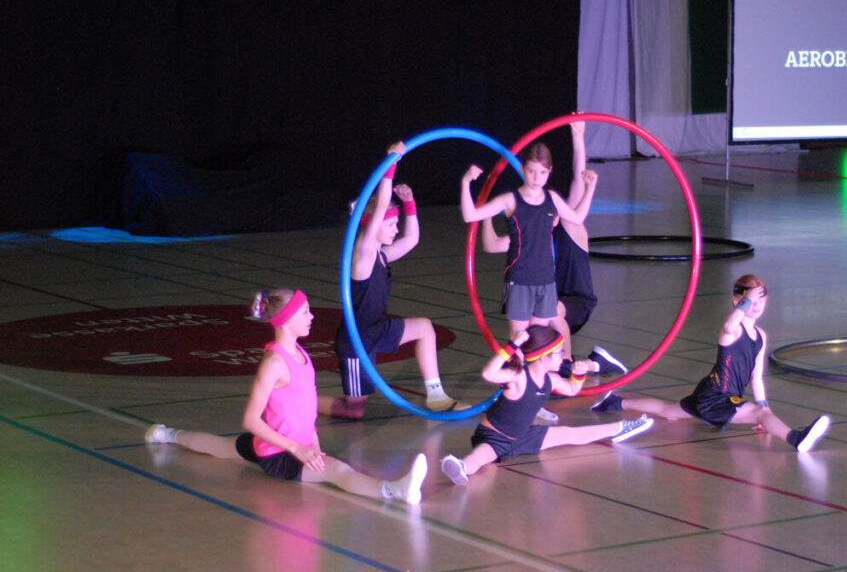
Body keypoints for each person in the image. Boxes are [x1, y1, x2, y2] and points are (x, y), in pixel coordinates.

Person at [145, 289, 427, 504]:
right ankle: (394, 490)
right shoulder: (274, 364)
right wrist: (297, 449)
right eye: (305, 312)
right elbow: (251, 420)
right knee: (337, 470)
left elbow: (305, 406)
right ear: (288, 320)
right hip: (279, 454)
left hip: (285, 445)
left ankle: (167, 434)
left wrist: (313, 439)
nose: (312, 316)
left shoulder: (302, 354)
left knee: (222, 448)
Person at [592, 274, 831, 452]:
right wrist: (745, 302)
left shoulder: (760, 336)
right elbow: (728, 325)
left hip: (711, 390)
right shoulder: (732, 331)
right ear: (737, 301)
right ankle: (795, 439)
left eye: (761, 300)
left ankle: (614, 402)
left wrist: (765, 405)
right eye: (749, 300)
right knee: (757, 414)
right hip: (717, 395)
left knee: (669, 412)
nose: (756, 305)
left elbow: (756, 377)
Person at [325, 141, 469, 419]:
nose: (396, 229)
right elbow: (379, 207)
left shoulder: (381, 255)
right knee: (354, 411)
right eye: (391, 225)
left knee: (425, 327)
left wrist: (410, 204)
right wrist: (392, 161)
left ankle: (436, 396)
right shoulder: (363, 253)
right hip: (356, 340)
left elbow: (412, 239)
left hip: (376, 329)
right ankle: (305, 402)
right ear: (373, 226)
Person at [479, 120, 628, 380]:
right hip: (540, 298)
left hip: (575, 301)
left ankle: (566, 366)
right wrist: (485, 213)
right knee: (523, 330)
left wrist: (578, 136)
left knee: (554, 309)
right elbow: (491, 245)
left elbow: (578, 181)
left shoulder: (572, 230)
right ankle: (548, 372)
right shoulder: (531, 235)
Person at [440, 325, 654, 485]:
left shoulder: (550, 379)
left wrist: (579, 375)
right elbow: (489, 373)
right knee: (481, 457)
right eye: (560, 352)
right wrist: (512, 345)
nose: (564, 355)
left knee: (572, 434)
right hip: (494, 437)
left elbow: (571, 390)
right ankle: (461, 466)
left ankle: (623, 427)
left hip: (523, 435)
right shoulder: (519, 376)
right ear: (543, 357)